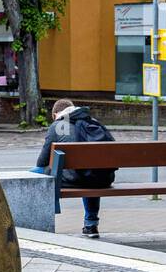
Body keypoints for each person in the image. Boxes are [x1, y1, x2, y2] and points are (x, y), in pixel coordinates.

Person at [31, 98, 115, 238]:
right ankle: (91, 225)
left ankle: (34, 221)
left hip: (75, 179)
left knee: (32, 174)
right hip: (102, 179)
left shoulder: (59, 125)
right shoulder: (93, 122)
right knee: (91, 174)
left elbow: (41, 162)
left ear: (55, 115)